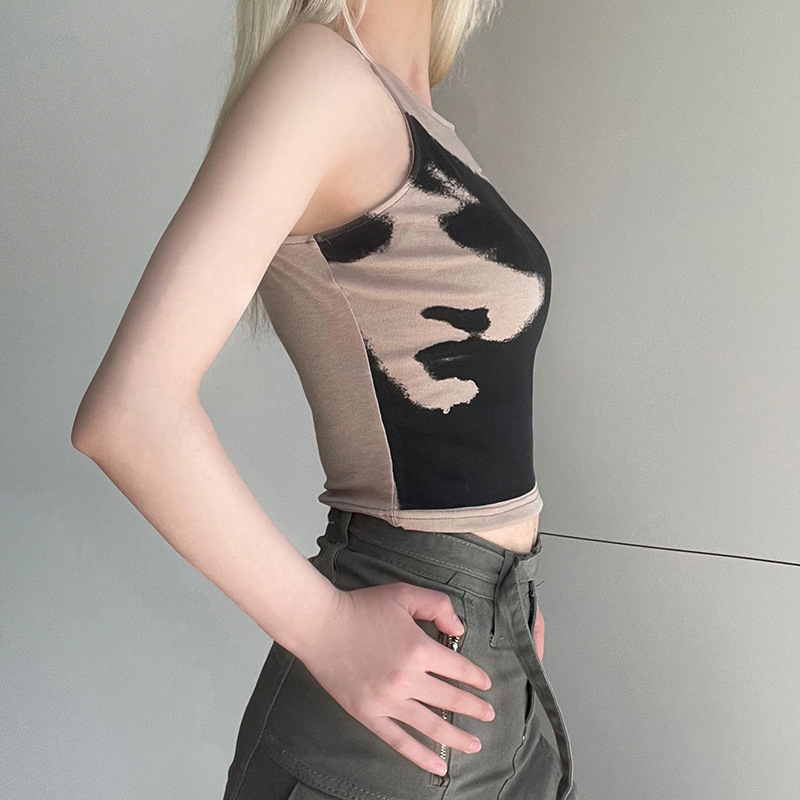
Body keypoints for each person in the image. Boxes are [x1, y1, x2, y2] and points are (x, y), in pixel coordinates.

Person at [72, 2, 579, 798]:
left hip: (493, 657)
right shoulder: (324, 75)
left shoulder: (422, 118)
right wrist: (326, 628)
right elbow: (130, 413)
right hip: (400, 693)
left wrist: (502, 603)